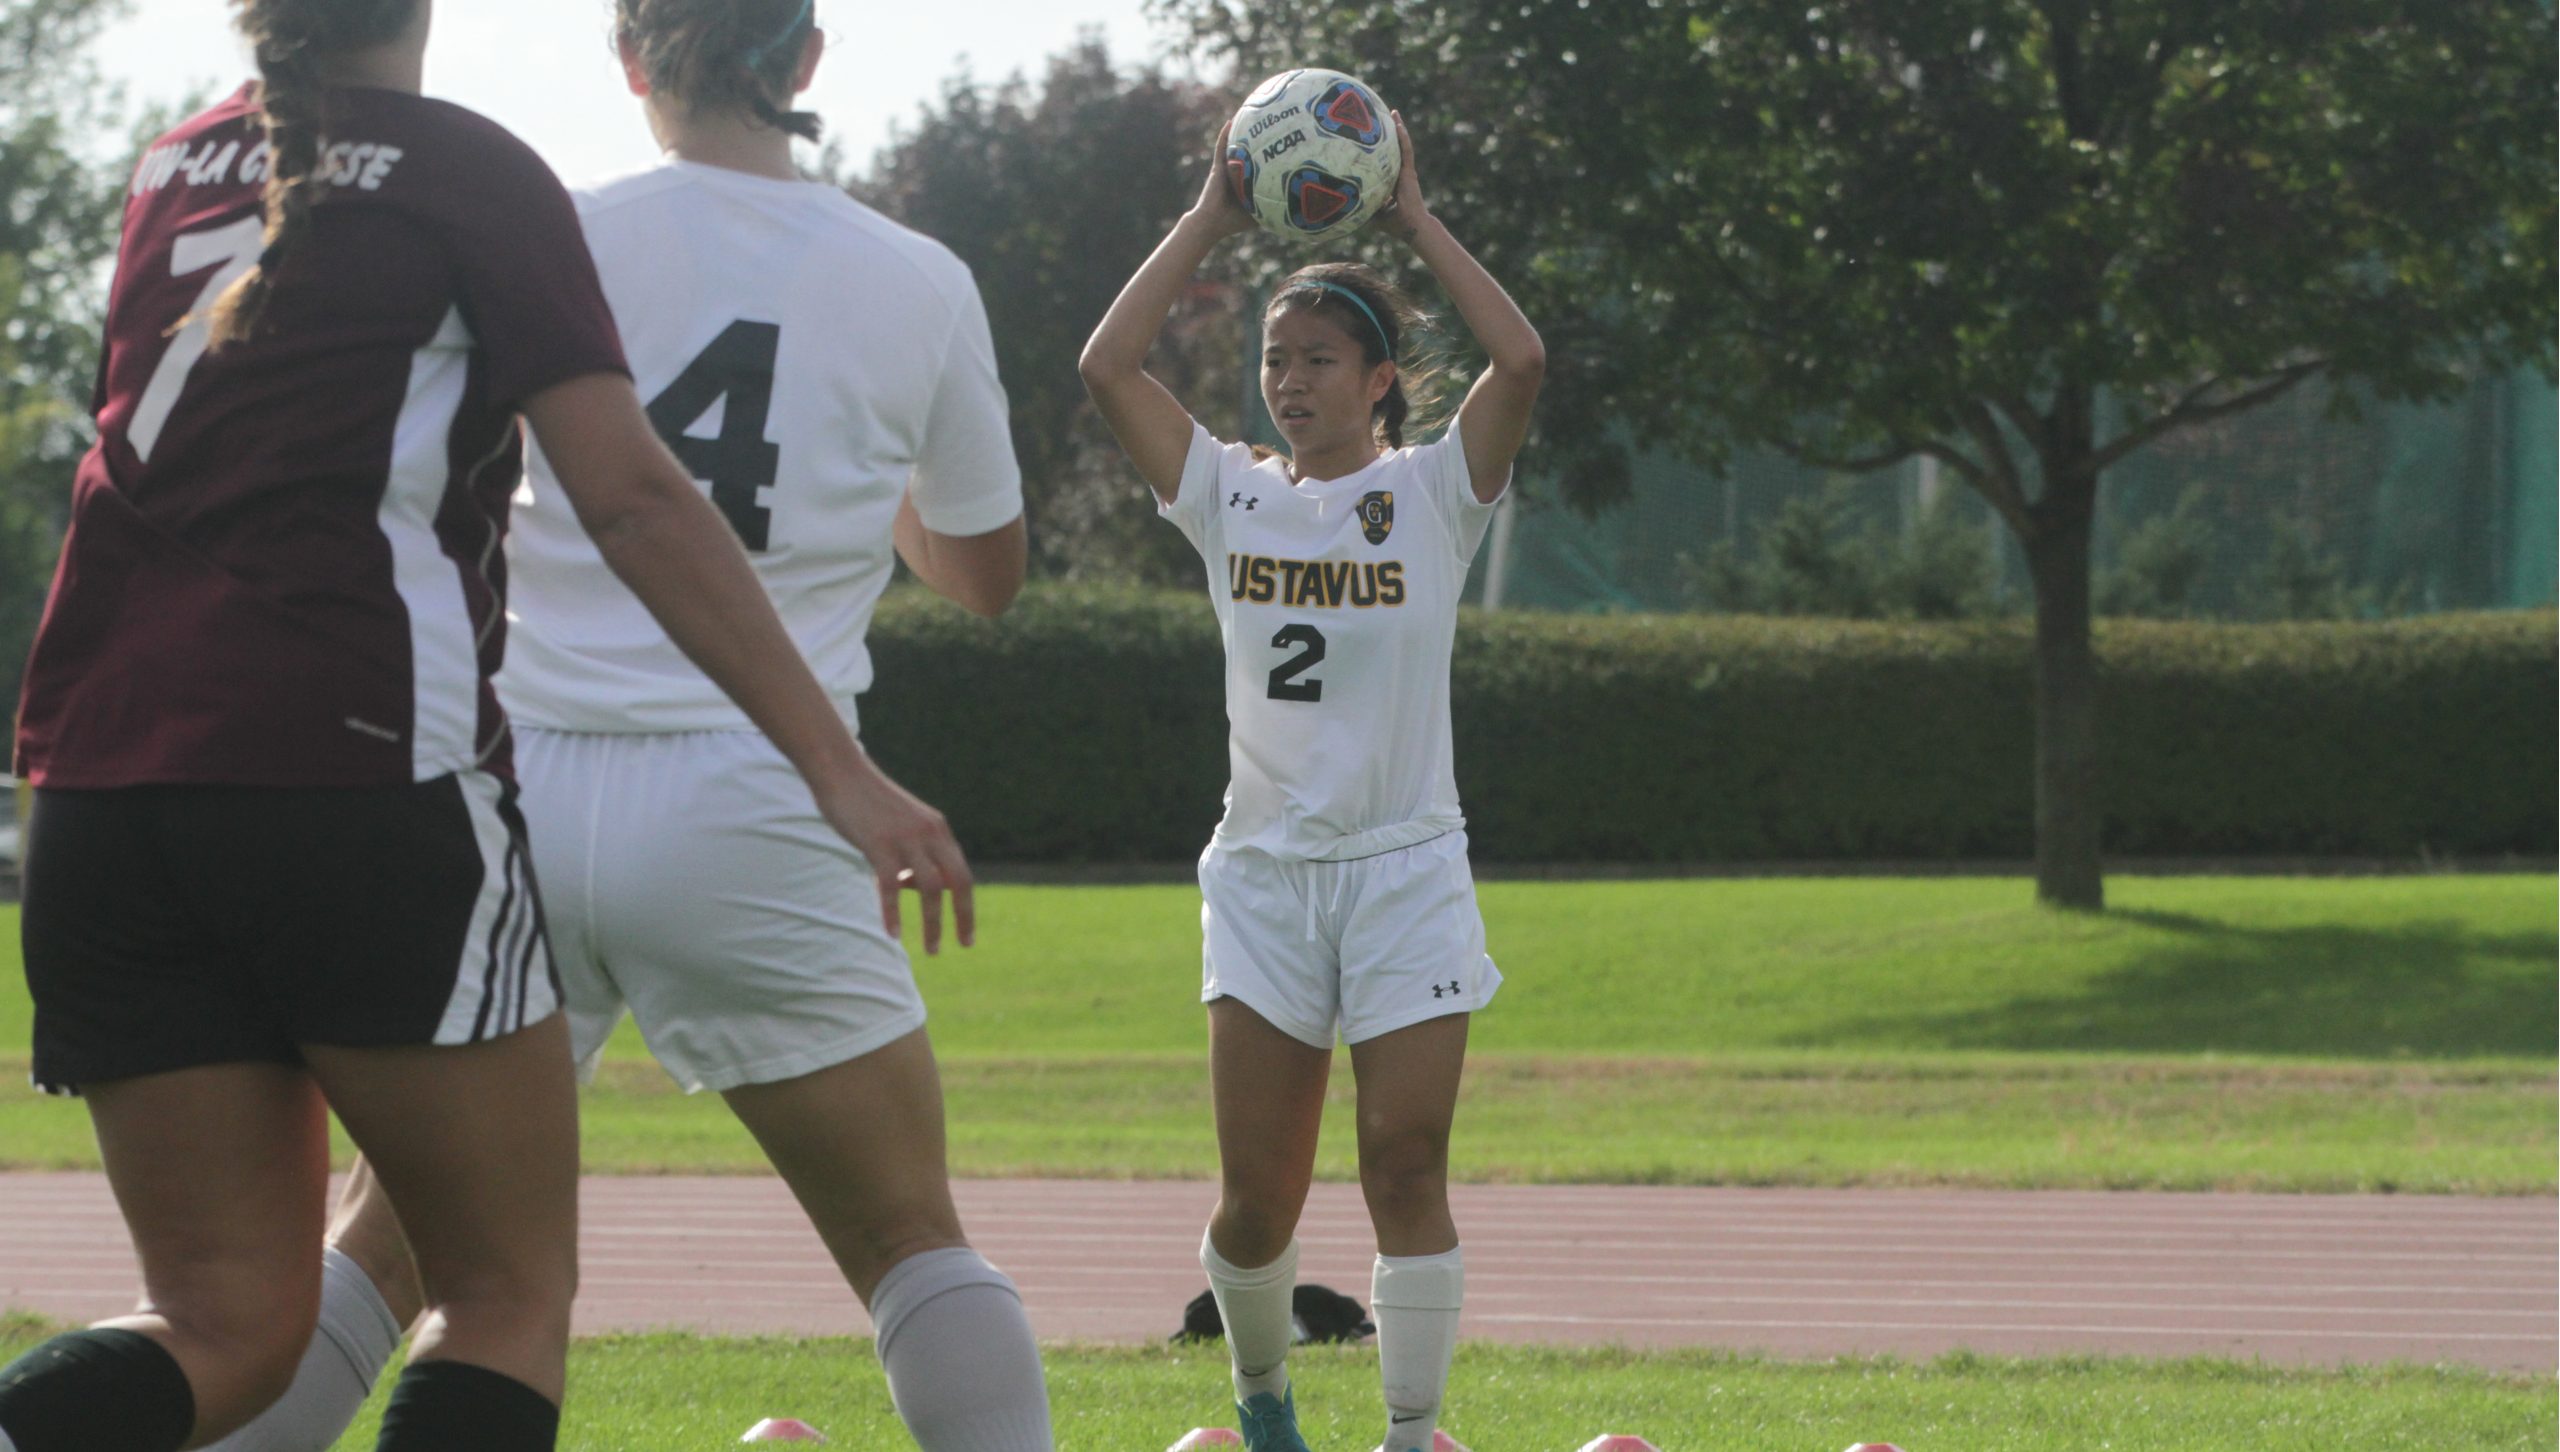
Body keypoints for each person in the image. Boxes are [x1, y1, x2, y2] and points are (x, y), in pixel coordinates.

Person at [0, 0, 976, 1449]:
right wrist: (840, 770)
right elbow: (633, 495)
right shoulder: (471, 170)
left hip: (92, 781)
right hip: (353, 772)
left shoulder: (166, 166)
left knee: (225, 1326)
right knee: (505, 1287)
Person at [1077, 110, 1543, 1452]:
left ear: (1381, 378)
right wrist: (1210, 221)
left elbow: (1521, 356)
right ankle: (1264, 1401)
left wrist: (1415, 219)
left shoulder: (1436, 496)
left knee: (1405, 1164)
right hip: (1269, 878)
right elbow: (1107, 365)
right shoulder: (1227, 493)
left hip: (1407, 868)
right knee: (1253, 1206)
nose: (1289, 380)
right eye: (1274, 358)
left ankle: (1409, 1432)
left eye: (1320, 359)